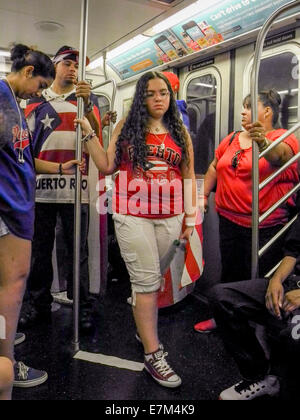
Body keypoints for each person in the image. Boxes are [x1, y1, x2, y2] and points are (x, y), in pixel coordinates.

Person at [75, 71, 197, 388]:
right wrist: (89, 133)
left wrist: (190, 218)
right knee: (145, 282)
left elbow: (188, 175)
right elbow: (105, 165)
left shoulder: (179, 131)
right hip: (133, 213)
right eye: (151, 93)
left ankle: (143, 328)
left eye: (164, 93)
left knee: (154, 282)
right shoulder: (127, 128)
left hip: (170, 216)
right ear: (142, 97)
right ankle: (153, 354)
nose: (158, 98)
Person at [0, 44, 83, 396]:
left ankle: (4, 350)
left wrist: (62, 166)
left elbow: (23, 159)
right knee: (13, 287)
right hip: (7, 211)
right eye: (39, 85)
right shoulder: (2, 99)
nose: (39, 92)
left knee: (9, 288)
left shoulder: (14, 105)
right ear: (29, 72)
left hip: (18, 208)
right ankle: (6, 361)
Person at [194, 89, 299, 333]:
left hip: (266, 226)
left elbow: (280, 157)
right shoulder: (231, 139)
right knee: (230, 275)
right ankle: (226, 322)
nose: (243, 111)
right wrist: (203, 195)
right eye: (243, 106)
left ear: (267, 112)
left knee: (266, 281)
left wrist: (262, 141)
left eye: (250, 106)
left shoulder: (284, 137)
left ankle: (271, 332)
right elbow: (213, 166)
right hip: (229, 220)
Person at [19, 46, 103, 333]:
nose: (72, 70)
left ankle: (82, 307)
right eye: (67, 63)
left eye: (76, 66)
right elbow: (25, 146)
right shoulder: (35, 100)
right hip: (41, 189)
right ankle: (38, 303)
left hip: (76, 190)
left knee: (76, 252)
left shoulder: (86, 103)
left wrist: (88, 105)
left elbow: (97, 140)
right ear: (54, 66)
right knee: (39, 252)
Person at [208, 211, 300, 400]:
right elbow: (292, 253)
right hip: (291, 284)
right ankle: (259, 376)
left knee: (293, 334)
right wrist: (275, 280)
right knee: (222, 297)